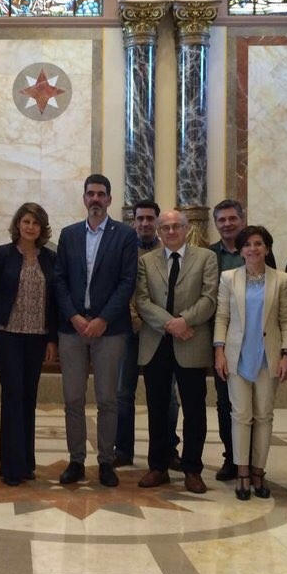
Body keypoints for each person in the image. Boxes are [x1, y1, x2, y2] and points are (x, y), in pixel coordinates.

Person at [54, 174, 138, 487]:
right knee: (73, 398)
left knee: (107, 399)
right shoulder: (69, 234)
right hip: (72, 328)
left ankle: (106, 461)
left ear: (110, 199)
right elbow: (59, 279)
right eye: (91, 194)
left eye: (102, 194)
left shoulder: (125, 236)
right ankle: (76, 460)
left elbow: (127, 281)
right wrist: (74, 316)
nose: (96, 199)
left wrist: (102, 318)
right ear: (84, 198)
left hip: (111, 329)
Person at [135, 210, 218, 494]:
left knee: (194, 409)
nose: (171, 231)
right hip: (157, 342)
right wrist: (171, 325)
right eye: (165, 227)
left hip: (192, 340)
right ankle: (157, 466)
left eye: (176, 226)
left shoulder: (206, 258)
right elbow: (142, 301)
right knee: (157, 409)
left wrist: (185, 320)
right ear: (158, 231)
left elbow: (210, 298)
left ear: (186, 229)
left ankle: (192, 469)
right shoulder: (146, 261)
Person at [213, 225, 287, 500]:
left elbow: (286, 319)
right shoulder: (228, 278)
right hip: (237, 355)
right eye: (247, 245)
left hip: (267, 356)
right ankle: (243, 472)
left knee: (264, 416)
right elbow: (222, 316)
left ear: (267, 248)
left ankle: (259, 471)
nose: (252, 249)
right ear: (240, 250)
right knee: (240, 415)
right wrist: (219, 351)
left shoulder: (281, 280)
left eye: (258, 244)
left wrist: (286, 354)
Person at [0, 203, 57, 486]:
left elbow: (54, 303)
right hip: (7, 334)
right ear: (18, 224)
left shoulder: (50, 258)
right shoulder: (3, 254)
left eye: (36, 223)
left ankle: (26, 462)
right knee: (12, 395)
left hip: (37, 336)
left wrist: (52, 339)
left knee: (29, 397)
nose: (30, 227)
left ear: (42, 228)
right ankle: (11, 466)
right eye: (26, 221)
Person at [208, 199, 276, 481]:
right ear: (216, 224)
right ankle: (232, 458)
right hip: (223, 341)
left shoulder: (261, 253)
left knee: (259, 410)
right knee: (227, 405)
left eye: (232, 218)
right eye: (221, 220)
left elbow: (273, 300)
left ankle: (252, 463)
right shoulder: (209, 255)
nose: (227, 224)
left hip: (260, 346)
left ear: (242, 218)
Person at [115, 200, 178, 468]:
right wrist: (133, 318)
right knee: (123, 392)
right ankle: (123, 450)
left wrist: (155, 322)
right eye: (139, 218)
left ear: (157, 222)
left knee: (169, 396)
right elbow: (123, 287)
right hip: (128, 331)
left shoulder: (168, 252)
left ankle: (168, 448)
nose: (144, 223)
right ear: (133, 221)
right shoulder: (124, 250)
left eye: (149, 219)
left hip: (160, 332)